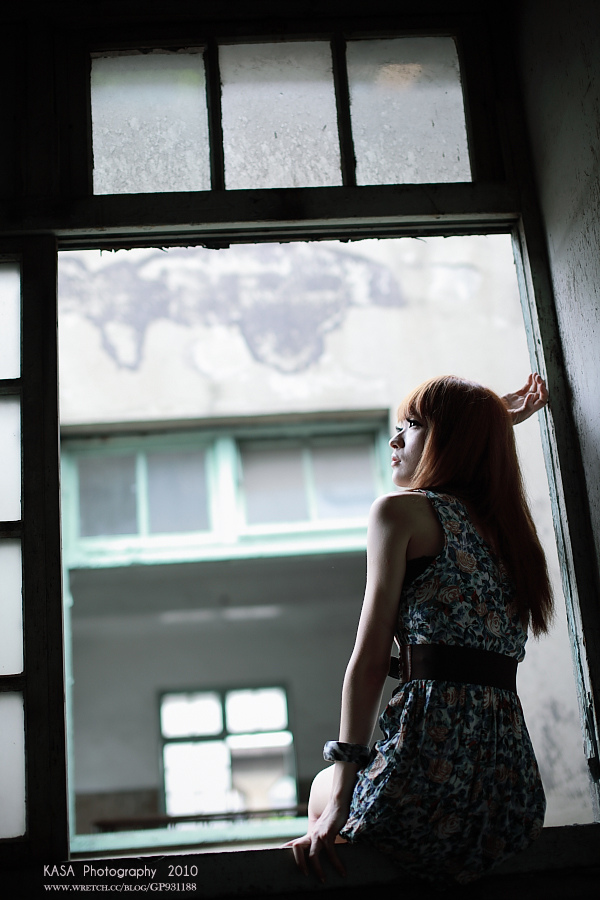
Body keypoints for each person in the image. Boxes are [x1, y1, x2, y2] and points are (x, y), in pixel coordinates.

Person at [286, 372, 552, 886]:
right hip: (511, 798)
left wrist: (338, 799)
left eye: (410, 426)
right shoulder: (511, 536)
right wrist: (490, 421)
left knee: (322, 790)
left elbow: (369, 664)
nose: (394, 441)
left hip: (422, 786)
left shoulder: (401, 514)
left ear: (449, 441)